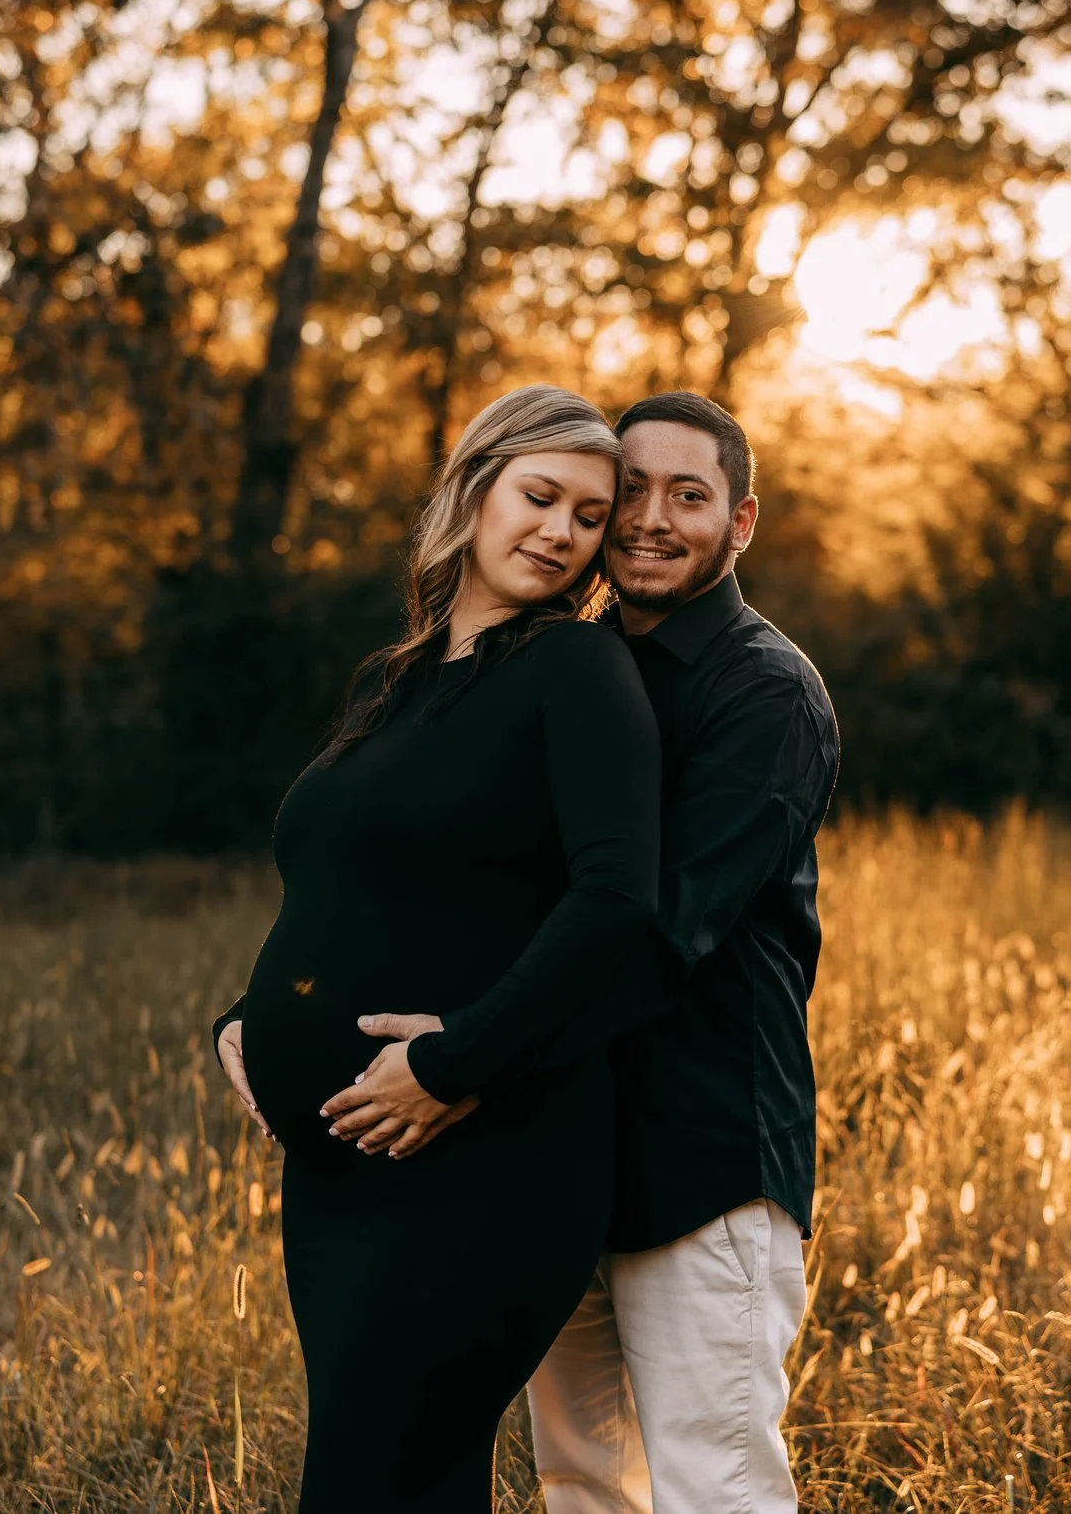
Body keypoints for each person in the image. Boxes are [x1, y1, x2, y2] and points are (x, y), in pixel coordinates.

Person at [358, 392, 840, 1514]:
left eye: (690, 494)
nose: (649, 518)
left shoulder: (763, 692)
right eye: (630, 490)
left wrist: (462, 1056)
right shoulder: (560, 667)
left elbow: (663, 933)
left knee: (715, 1487)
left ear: (741, 521)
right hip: (559, 1150)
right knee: (582, 1486)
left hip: (702, 1157)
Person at [208, 384, 664, 1514]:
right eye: (541, 495)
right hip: (339, 1172)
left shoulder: (574, 670)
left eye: (590, 517)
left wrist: (457, 1064)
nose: (562, 531)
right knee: (397, 1482)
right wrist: (243, 1022)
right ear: (474, 489)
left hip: (483, 1156)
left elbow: (616, 898)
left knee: (375, 1477)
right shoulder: (392, 680)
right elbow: (342, 884)